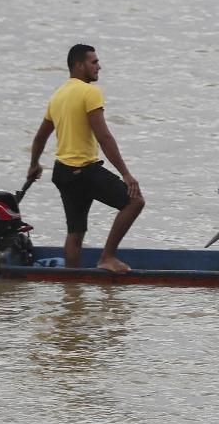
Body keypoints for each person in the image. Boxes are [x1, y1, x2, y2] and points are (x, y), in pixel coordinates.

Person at [26, 44, 144, 273]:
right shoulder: (89, 92)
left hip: (62, 173)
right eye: (94, 62)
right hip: (83, 170)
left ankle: (72, 283)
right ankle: (107, 257)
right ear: (79, 66)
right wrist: (126, 174)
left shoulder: (57, 95)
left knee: (75, 231)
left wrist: (34, 165)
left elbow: (40, 138)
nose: (99, 66)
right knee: (134, 202)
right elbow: (103, 136)